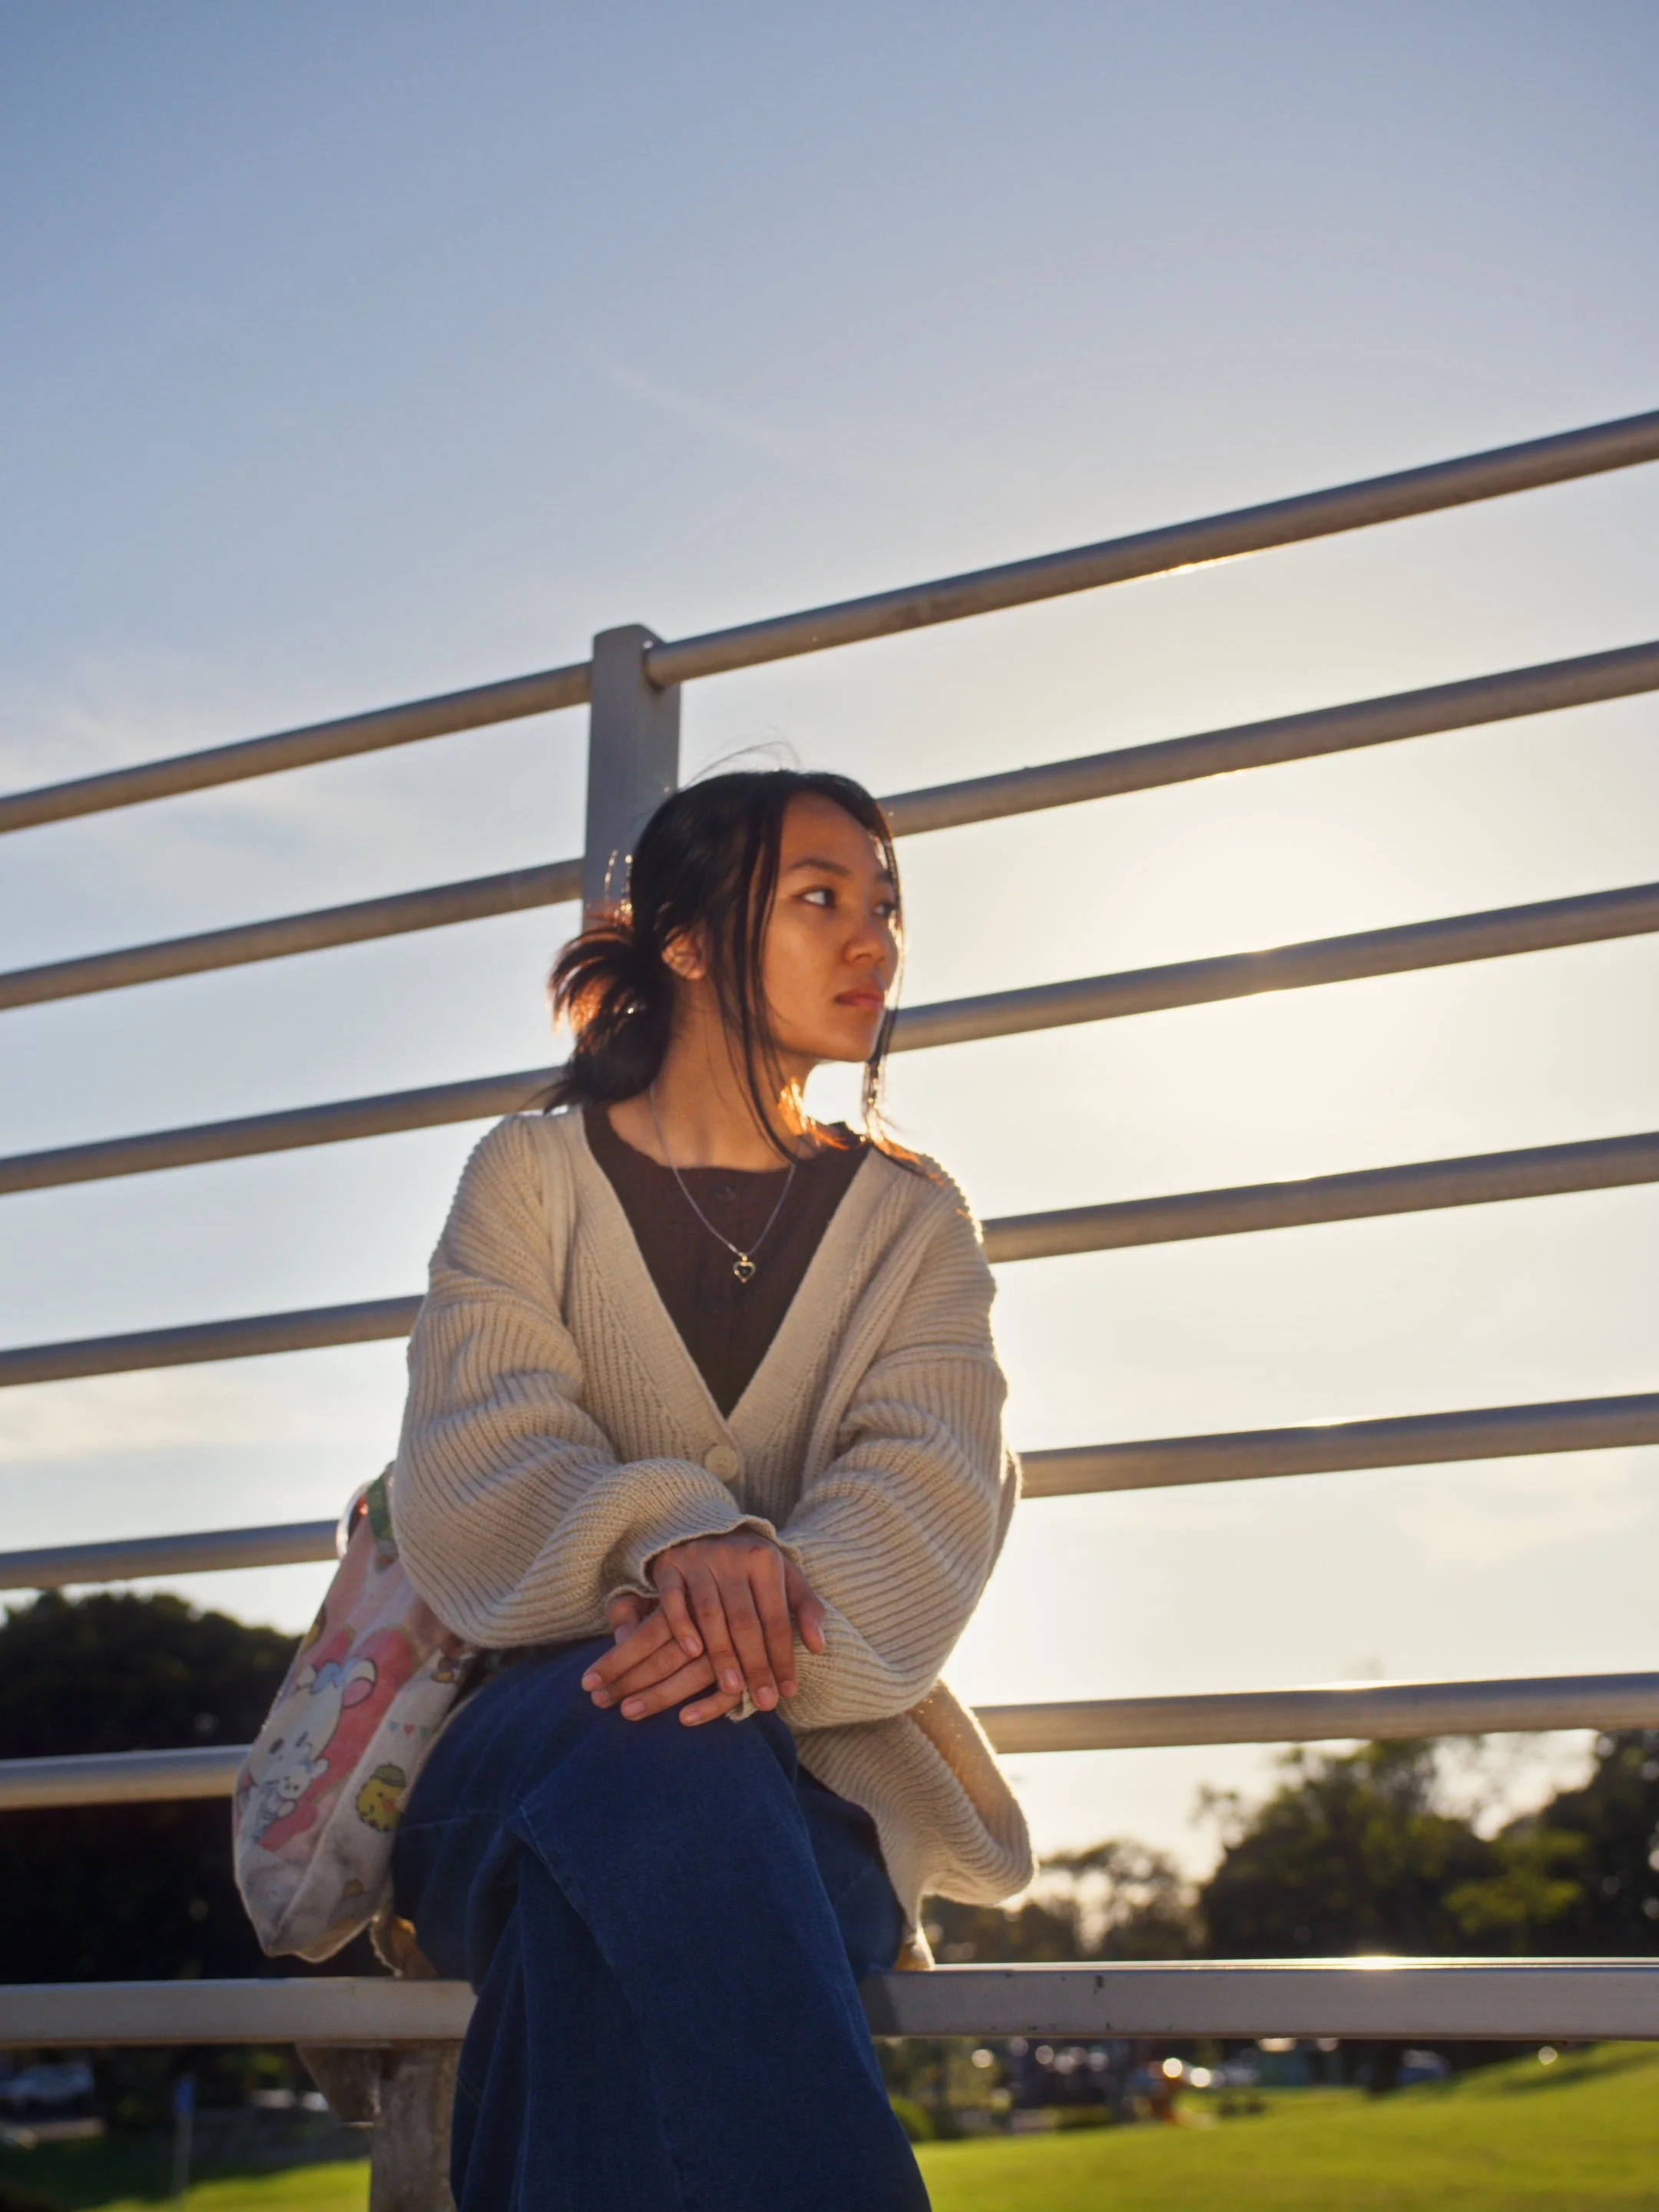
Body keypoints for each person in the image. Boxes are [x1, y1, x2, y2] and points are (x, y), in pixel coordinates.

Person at [388, 767, 1033, 2211]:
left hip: (813, 1795)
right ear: (683, 940)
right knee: (645, 1768)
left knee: (616, 1879)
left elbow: (930, 1501)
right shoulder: (529, 1175)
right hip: (513, 1767)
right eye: (819, 899)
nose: (873, 941)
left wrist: (744, 1632)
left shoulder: (915, 1224)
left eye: (886, 906)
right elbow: (474, 1457)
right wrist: (681, 1542)